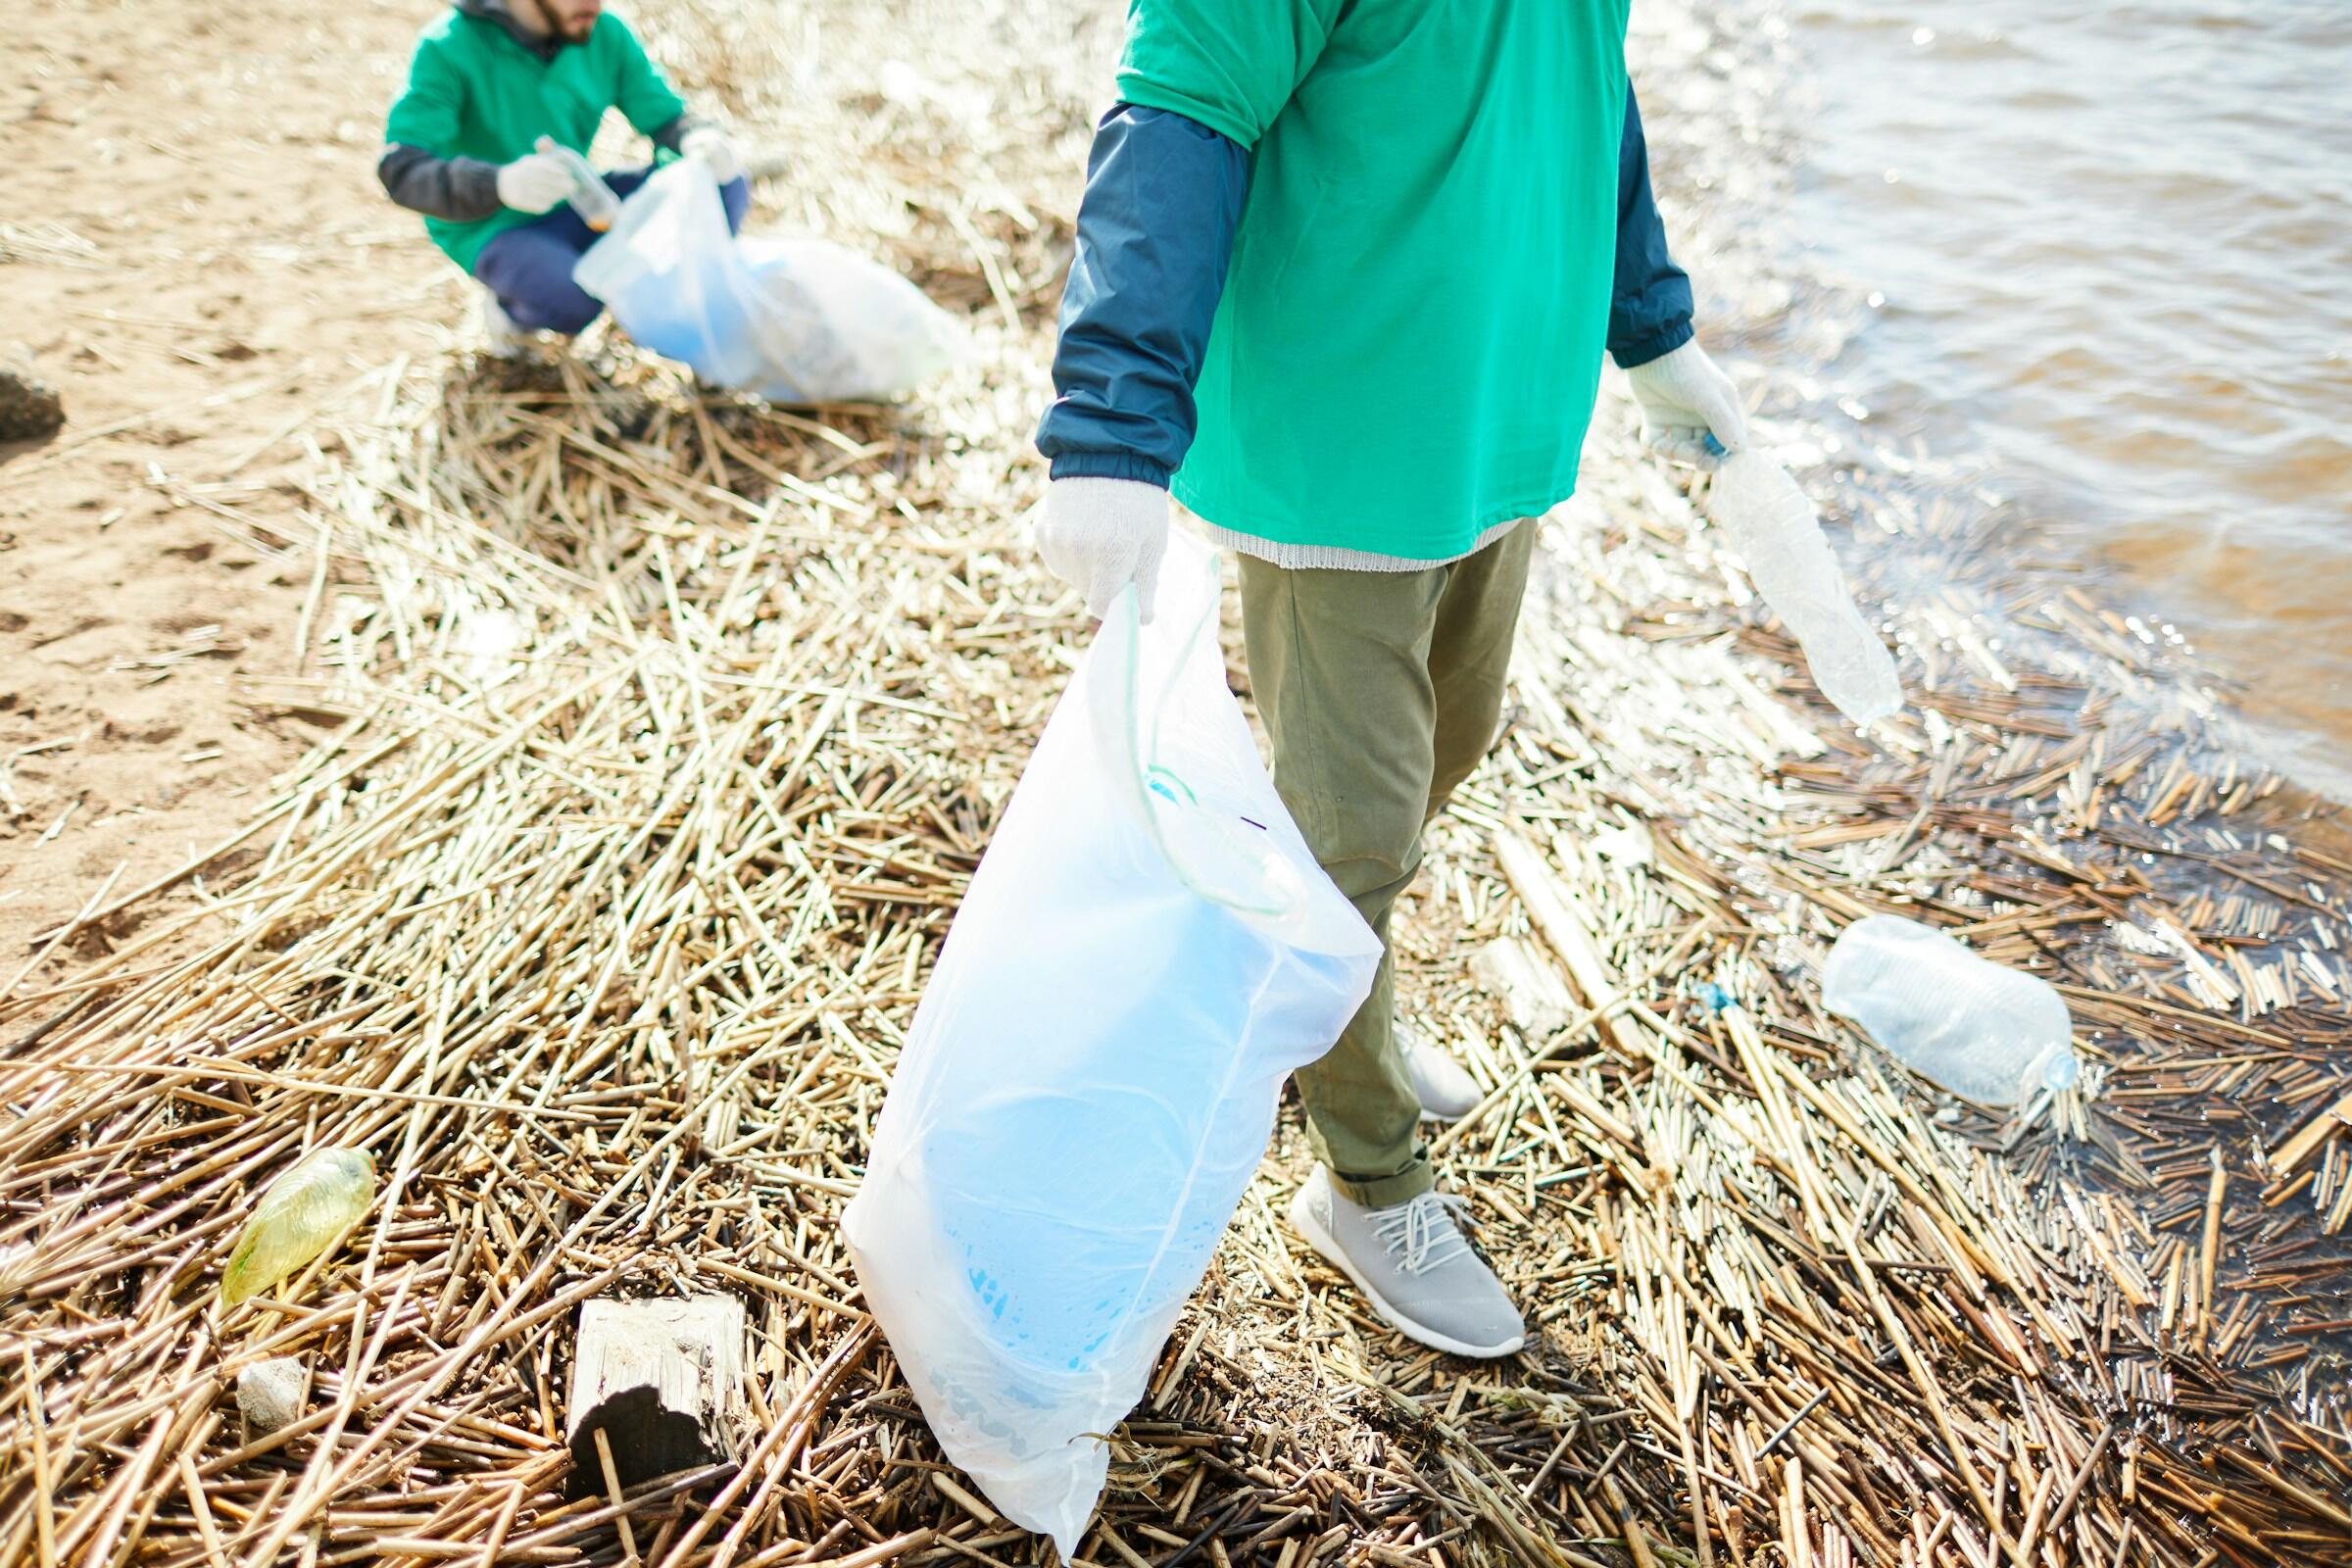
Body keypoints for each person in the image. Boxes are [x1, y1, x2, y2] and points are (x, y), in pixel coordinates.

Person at [1033, 0, 1749, 1358]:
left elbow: (1587, 97)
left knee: (1439, 758)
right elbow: (1177, 120)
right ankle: (1363, 1179)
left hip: (1497, 429)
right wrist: (1110, 427)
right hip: (1341, 449)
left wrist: (1652, 329)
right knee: (1347, 835)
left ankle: (1343, 1002)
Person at [378, 0, 749, 352]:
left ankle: (671, 305)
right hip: (495, 228)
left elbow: (663, 114)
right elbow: (403, 170)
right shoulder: (449, 46)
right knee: (574, 302)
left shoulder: (602, 32)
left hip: (580, 201)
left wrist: (697, 135)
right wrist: (497, 184)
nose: (594, 4)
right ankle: (510, 315)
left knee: (722, 183)